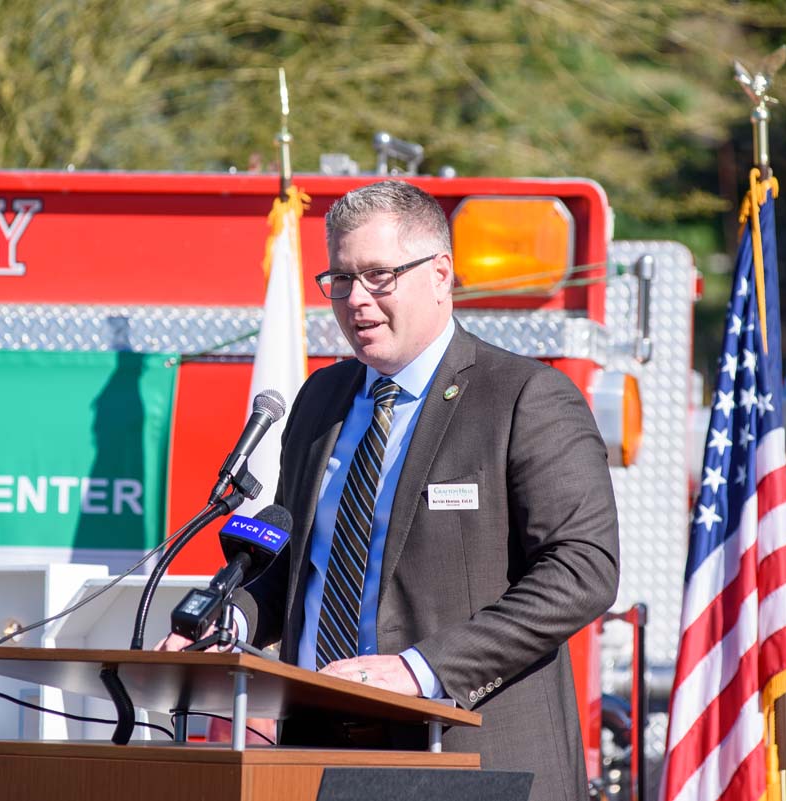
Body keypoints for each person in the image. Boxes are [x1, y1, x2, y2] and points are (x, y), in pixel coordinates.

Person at [159, 180, 619, 801]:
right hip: (318, 749)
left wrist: (418, 669)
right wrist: (226, 619)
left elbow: (582, 571)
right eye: (341, 281)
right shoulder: (321, 398)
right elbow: (294, 566)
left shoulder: (523, 398)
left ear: (440, 274)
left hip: (468, 752)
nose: (357, 301)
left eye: (379, 276)